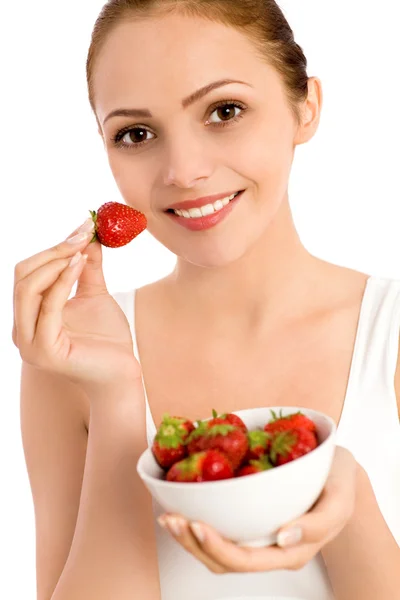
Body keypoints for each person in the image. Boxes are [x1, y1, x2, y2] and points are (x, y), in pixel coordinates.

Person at [12, 1, 400, 599]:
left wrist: (346, 502)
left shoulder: (391, 334)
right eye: (136, 133)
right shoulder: (72, 359)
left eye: (225, 110)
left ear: (307, 107)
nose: (184, 170)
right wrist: (117, 394)